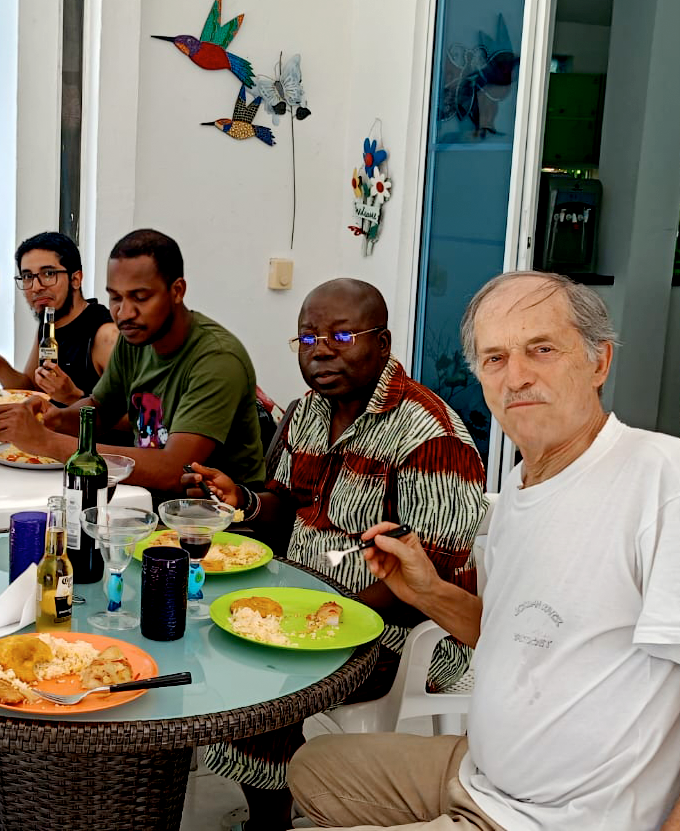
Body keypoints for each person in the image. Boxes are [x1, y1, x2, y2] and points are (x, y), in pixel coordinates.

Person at [289, 271, 680, 831]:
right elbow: (509, 634)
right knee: (311, 767)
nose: (517, 377)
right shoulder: (524, 484)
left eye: (542, 349)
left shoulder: (665, 479)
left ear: (599, 362)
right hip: (481, 775)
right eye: (495, 358)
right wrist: (426, 591)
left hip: (557, 818)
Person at [186, 279, 487, 831]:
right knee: (207, 636)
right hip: (305, 604)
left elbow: (430, 581)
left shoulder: (430, 435)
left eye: (341, 336)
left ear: (383, 343)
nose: (320, 350)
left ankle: (269, 821)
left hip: (399, 633)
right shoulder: (307, 411)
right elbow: (286, 503)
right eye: (307, 338)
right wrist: (244, 501)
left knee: (260, 679)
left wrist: (317, 620)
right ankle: (266, 803)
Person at [0, 228, 265, 492]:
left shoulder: (217, 359)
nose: (124, 313)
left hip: (214, 513)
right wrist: (55, 418)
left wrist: (48, 442)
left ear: (177, 291)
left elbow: (175, 470)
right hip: (142, 494)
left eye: (140, 297)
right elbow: (100, 411)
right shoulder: (134, 339)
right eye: (115, 298)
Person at [0, 231, 119, 405]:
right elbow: (32, 389)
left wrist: (73, 397)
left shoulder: (106, 336)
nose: (36, 287)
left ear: (76, 279)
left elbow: (134, 416)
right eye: (27, 277)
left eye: (48, 274)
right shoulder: (49, 323)